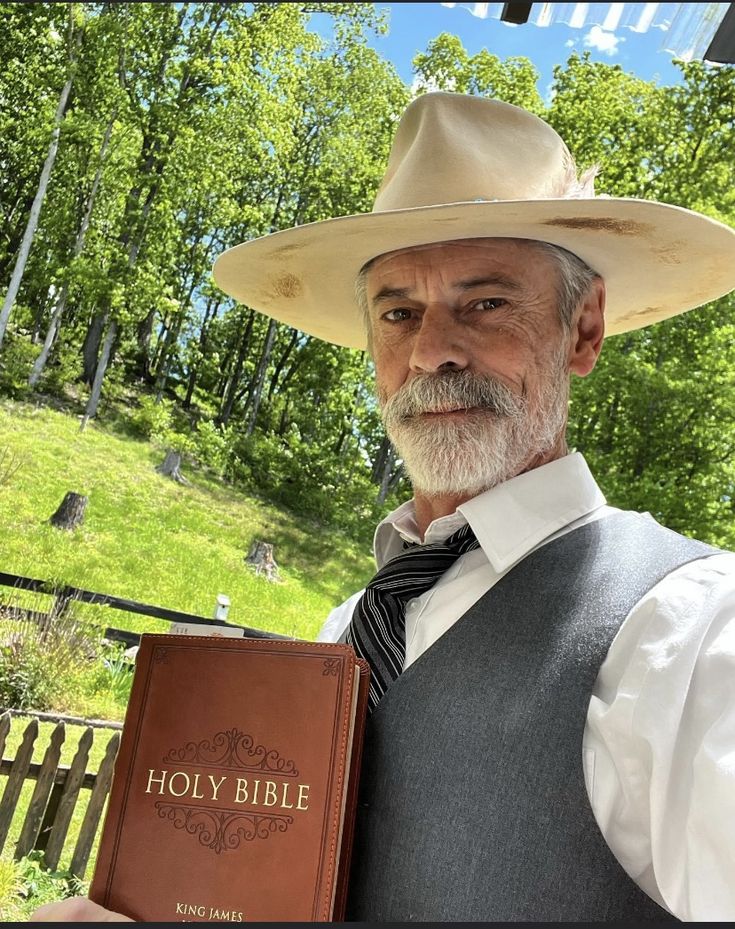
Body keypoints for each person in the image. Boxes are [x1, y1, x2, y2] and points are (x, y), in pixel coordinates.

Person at [32, 93, 735, 922]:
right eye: (398, 312)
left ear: (583, 330)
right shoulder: (345, 628)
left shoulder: (692, 634)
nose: (431, 348)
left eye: (485, 303)